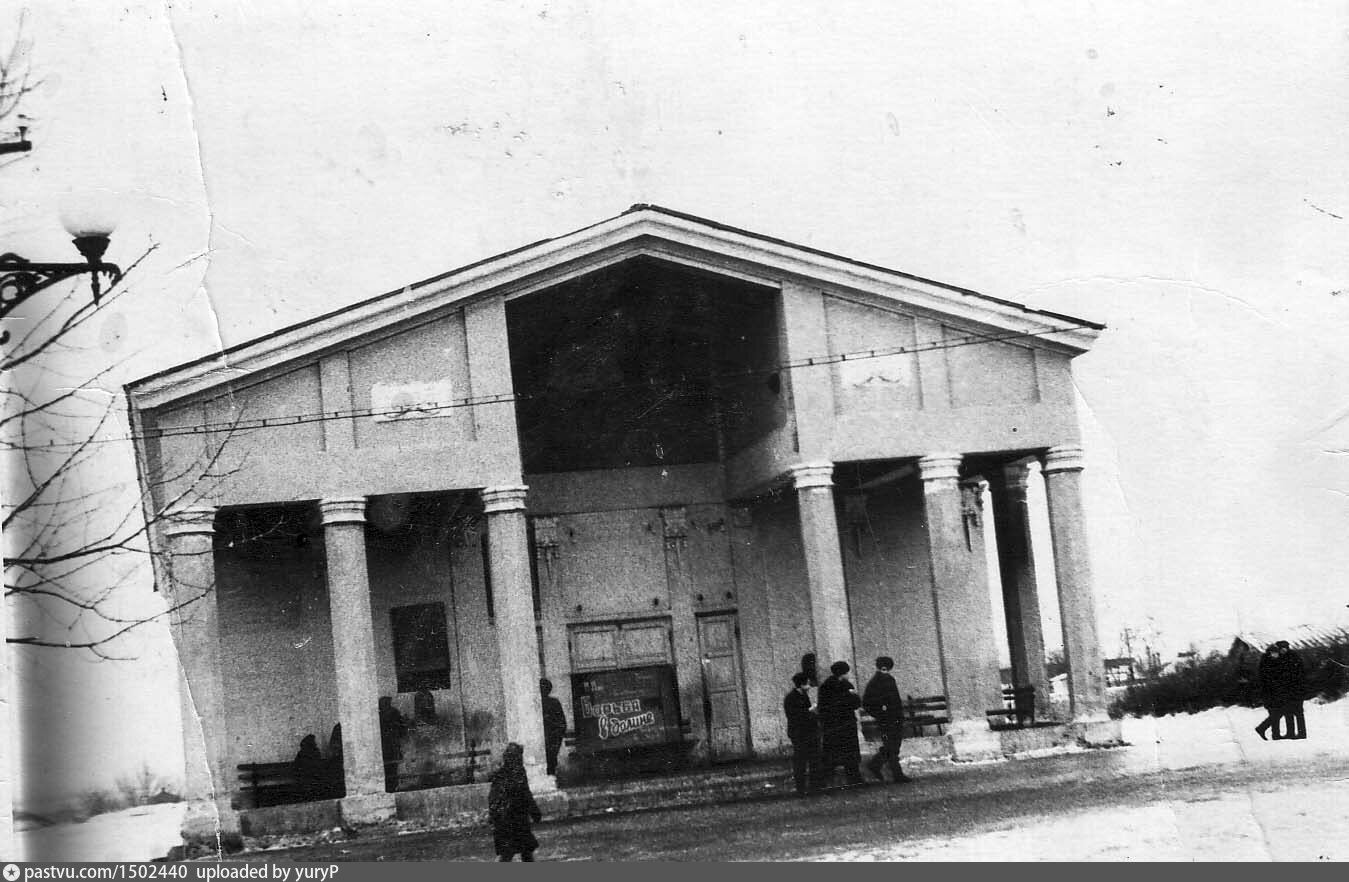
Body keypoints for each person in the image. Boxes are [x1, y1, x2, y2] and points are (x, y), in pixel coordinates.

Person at [488, 742, 543, 861]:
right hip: (513, 819)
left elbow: (493, 798)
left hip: (508, 819)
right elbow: (525, 793)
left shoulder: (500, 774)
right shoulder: (517, 772)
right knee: (510, 853)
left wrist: (493, 816)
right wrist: (535, 812)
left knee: (522, 851)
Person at [816, 660, 864, 788]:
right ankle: (853, 779)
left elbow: (823, 707)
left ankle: (827, 781)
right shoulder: (844, 686)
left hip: (834, 725)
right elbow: (855, 703)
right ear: (843, 673)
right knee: (847, 754)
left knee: (834, 753)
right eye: (847, 672)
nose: (848, 675)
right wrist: (852, 696)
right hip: (843, 724)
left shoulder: (826, 686)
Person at [862, 655, 909, 783]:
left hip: (891, 719)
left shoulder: (880, 680)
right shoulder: (880, 681)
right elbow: (868, 703)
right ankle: (897, 774)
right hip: (889, 719)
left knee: (892, 746)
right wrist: (881, 712)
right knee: (892, 746)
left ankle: (875, 764)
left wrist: (880, 714)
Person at [783, 671, 822, 796]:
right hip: (799, 734)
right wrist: (810, 710)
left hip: (810, 733)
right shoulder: (791, 698)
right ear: (801, 684)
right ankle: (801, 788)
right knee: (801, 762)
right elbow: (794, 716)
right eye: (808, 684)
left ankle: (814, 787)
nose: (809, 686)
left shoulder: (803, 695)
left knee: (814, 760)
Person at [1275, 640, 1308, 740]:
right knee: (1287, 712)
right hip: (1286, 690)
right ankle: (1290, 733)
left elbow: (1300, 673)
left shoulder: (1294, 657)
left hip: (1296, 689)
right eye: (1281, 648)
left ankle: (1302, 733)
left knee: (1298, 712)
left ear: (1287, 647)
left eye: (1284, 647)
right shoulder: (1280, 659)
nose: (1283, 650)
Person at [1255, 644, 1284, 740]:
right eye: (1275, 653)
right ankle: (1262, 728)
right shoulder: (1267, 663)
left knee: (1275, 713)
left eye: (1277, 653)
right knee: (1277, 713)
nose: (1277, 655)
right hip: (1269, 693)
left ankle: (1276, 734)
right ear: (1270, 653)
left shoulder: (1271, 662)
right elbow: (1268, 679)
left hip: (1273, 692)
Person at [378, 696, 407, 793]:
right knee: (391, 767)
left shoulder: (391, 713)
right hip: (389, 746)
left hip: (389, 746)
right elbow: (402, 730)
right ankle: (391, 787)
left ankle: (391, 787)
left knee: (390, 767)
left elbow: (402, 729)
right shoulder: (392, 713)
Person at [540, 678, 568, 777]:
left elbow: (562, 723)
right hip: (552, 738)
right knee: (551, 761)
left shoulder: (538, 703)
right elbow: (562, 723)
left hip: (549, 737)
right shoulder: (554, 702)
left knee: (550, 761)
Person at [293, 734, 328, 801]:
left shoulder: (302, 752)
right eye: (314, 741)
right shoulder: (315, 752)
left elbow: (296, 766)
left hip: (308, 778)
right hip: (311, 778)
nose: (316, 743)